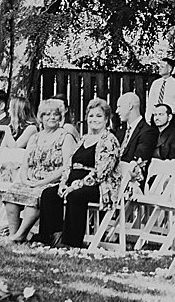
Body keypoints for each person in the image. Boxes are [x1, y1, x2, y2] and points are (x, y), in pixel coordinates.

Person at [37, 97, 121, 248]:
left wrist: (76, 185)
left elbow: (101, 173)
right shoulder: (83, 139)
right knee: (49, 193)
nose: (94, 119)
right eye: (91, 115)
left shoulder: (109, 140)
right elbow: (69, 165)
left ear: (107, 119)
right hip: (73, 182)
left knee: (76, 196)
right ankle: (51, 237)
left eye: (99, 116)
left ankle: (71, 242)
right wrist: (63, 183)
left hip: (98, 186)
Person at [1, 98, 76, 242]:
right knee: (12, 193)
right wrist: (25, 180)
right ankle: (13, 233)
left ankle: (20, 235)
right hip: (32, 179)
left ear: (60, 117)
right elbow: (25, 164)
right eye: (47, 114)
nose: (51, 117)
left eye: (55, 114)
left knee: (34, 197)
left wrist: (41, 182)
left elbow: (66, 167)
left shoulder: (65, 137)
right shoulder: (35, 137)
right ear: (41, 117)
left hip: (53, 181)